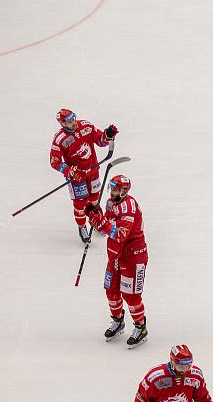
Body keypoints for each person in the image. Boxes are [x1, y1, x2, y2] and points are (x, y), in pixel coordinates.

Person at [85, 175, 149, 347]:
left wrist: (101, 222)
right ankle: (118, 320)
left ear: (124, 191)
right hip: (115, 255)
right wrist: (94, 215)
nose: (112, 192)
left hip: (133, 256)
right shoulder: (110, 203)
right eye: (111, 188)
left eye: (115, 189)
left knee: (131, 295)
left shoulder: (129, 206)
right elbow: (105, 226)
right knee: (111, 290)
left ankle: (140, 327)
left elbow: (120, 234)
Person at [49, 108, 118, 242]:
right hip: (77, 177)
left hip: (93, 171)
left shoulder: (86, 126)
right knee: (80, 204)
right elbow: (55, 162)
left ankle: (98, 222)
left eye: (73, 118)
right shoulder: (59, 139)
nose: (73, 122)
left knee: (94, 200)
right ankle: (82, 227)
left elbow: (100, 141)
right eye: (68, 121)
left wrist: (107, 135)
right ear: (62, 124)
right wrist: (70, 171)